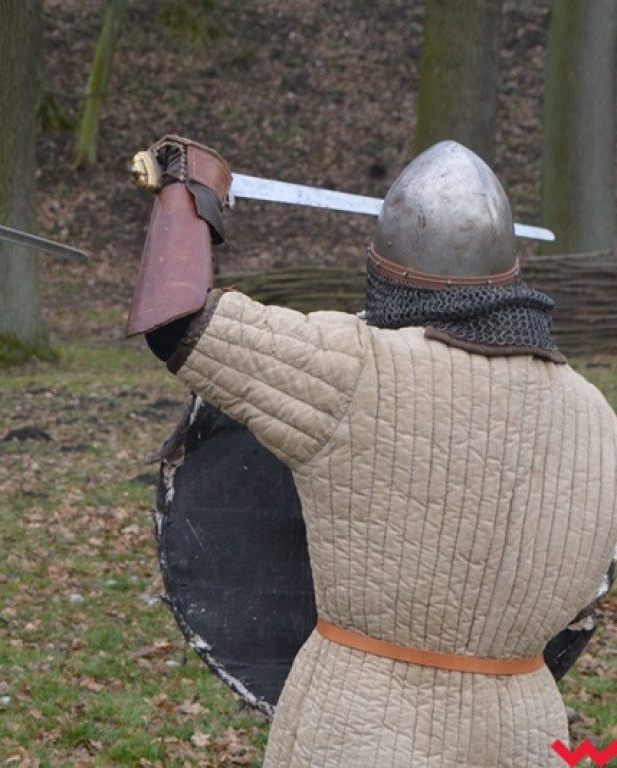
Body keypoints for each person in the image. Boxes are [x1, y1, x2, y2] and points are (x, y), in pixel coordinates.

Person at [126, 135, 617, 766]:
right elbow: (580, 603)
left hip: (365, 726)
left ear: (386, 276)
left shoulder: (358, 368)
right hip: (523, 729)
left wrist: (190, 190)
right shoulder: (596, 415)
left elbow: (175, 317)